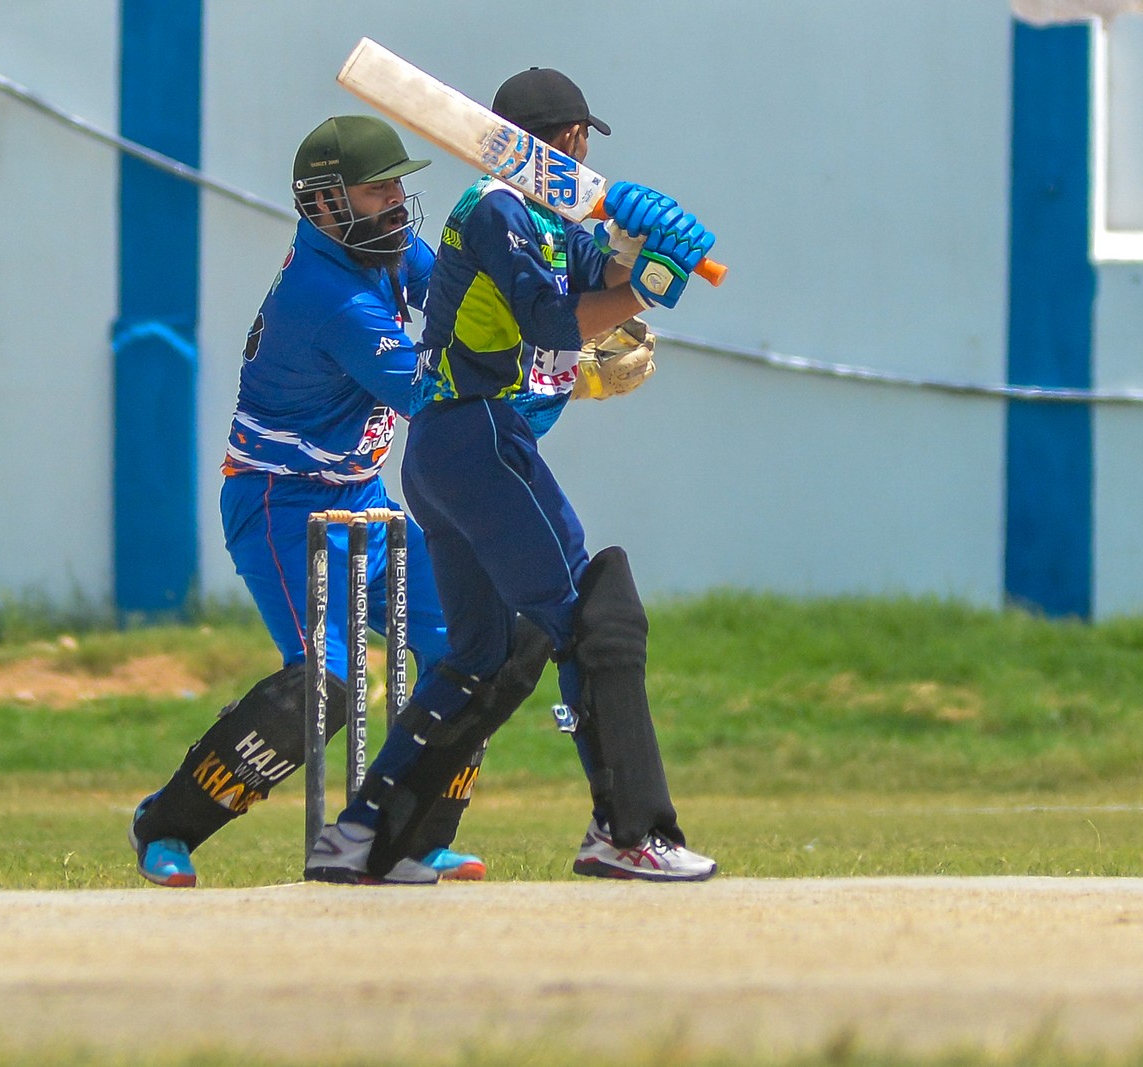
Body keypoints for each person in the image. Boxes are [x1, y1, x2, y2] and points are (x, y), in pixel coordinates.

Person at [304, 67, 720, 884]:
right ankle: (626, 831)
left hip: (446, 450)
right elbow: (552, 321)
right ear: (570, 140)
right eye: (582, 144)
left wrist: (636, 248)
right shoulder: (497, 209)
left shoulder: (544, 217)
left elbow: (598, 282)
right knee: (594, 620)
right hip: (477, 435)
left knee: (481, 657)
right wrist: (647, 287)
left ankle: (364, 837)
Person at [127, 115, 552, 887]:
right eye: (376, 188)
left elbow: (461, 299)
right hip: (280, 506)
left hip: (363, 496)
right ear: (324, 203)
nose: (395, 202)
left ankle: (410, 836)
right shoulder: (329, 299)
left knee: (486, 644)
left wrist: (564, 312)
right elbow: (439, 395)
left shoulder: (380, 247)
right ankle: (167, 823)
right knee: (324, 686)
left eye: (396, 185)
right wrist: (563, 373)